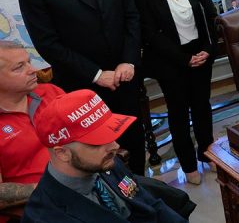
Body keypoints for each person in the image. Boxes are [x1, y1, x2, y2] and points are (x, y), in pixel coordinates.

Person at [16, 0, 145, 174]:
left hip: (125, 78)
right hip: (81, 88)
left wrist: (128, 60)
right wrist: (96, 74)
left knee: (133, 142)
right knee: (96, 157)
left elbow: (132, 18)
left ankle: (139, 190)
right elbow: (48, 44)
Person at [130, 0, 217, 185]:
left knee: (202, 108)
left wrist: (209, 49)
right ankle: (188, 164)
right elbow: (149, 33)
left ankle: (208, 153)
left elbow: (209, 13)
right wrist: (183, 59)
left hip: (200, 53)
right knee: (178, 113)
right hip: (169, 60)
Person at [22, 90, 187, 222]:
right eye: (97, 142)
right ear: (63, 153)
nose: (115, 146)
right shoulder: (45, 216)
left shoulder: (102, 162)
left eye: (110, 135)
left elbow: (148, 204)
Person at [0, 41, 64, 215]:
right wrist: (60, 187)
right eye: (19, 67)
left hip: (86, 186)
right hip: (37, 209)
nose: (33, 70)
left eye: (29, 62)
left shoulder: (51, 92)